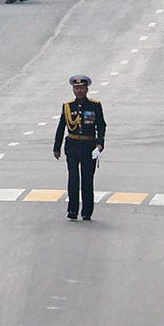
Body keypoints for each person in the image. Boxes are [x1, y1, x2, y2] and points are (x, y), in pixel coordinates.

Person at [52, 74, 106, 221]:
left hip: (89, 147)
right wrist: (56, 147)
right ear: (73, 90)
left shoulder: (94, 105)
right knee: (73, 179)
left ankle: (87, 211)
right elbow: (61, 126)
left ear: (87, 89)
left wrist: (99, 144)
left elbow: (101, 125)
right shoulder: (68, 106)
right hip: (73, 146)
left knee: (87, 180)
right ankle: (72, 210)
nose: (79, 91)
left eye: (82, 88)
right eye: (77, 88)